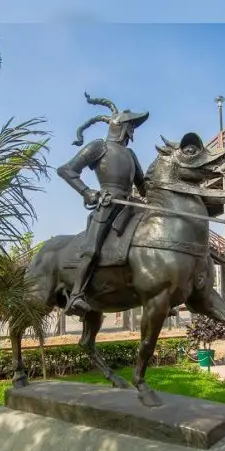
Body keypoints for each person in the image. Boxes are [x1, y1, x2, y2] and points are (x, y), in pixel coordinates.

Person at [57, 93, 149, 317]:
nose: (133, 130)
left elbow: (143, 186)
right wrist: (86, 191)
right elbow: (66, 170)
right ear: (121, 127)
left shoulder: (131, 155)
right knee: (93, 247)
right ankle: (76, 295)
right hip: (108, 203)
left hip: (130, 206)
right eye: (131, 126)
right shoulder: (99, 147)